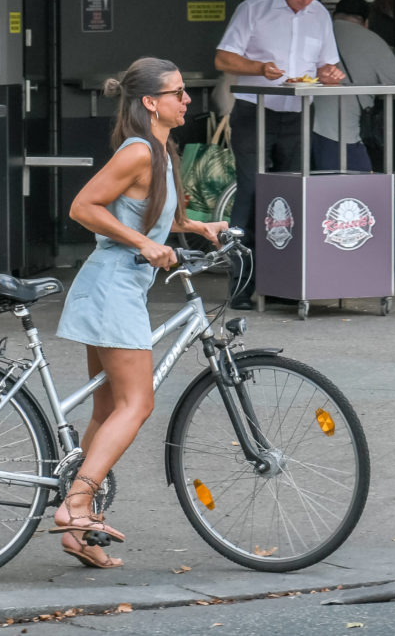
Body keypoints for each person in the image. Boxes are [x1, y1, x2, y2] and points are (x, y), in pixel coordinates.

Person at [50, 57, 228, 567]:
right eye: (177, 92)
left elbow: (149, 215)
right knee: (138, 404)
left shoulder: (160, 151)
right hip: (112, 291)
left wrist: (196, 228)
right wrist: (143, 246)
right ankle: (77, 505)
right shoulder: (137, 152)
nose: (187, 99)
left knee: (108, 410)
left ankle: (77, 530)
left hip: (115, 289)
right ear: (150, 102)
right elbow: (84, 207)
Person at [215, 0, 347, 309]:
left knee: (291, 195)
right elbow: (224, 59)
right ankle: (242, 286)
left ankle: (284, 283)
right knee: (253, 192)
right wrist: (258, 68)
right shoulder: (254, 8)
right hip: (254, 110)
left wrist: (331, 74)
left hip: (297, 112)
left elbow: (325, 64)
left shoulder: (319, 15)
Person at [329, 0, 395, 170]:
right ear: (366, 22)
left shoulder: (320, 32)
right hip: (346, 132)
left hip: (303, 124)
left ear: (334, 14)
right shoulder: (372, 40)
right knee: (355, 189)